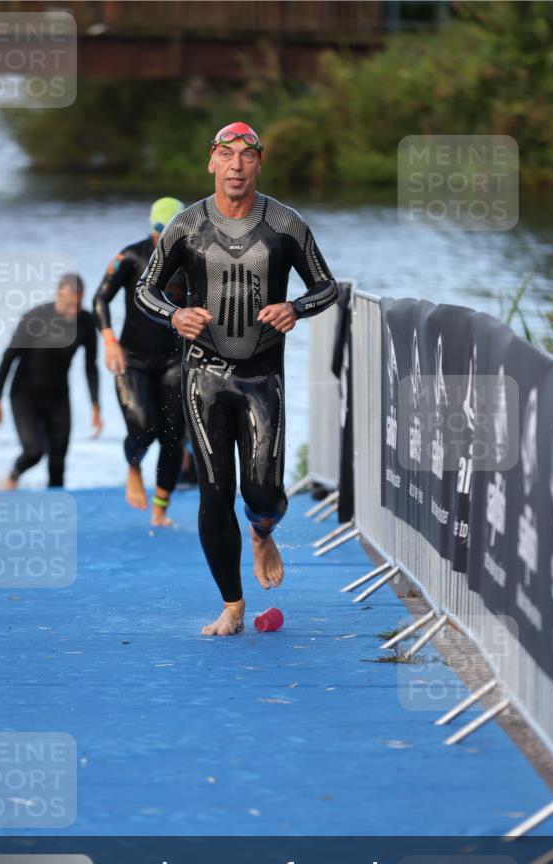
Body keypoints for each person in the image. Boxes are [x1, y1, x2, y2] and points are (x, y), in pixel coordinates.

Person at [135, 122, 338, 635]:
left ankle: (263, 530)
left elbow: (327, 286)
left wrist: (296, 307)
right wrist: (174, 315)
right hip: (202, 375)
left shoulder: (285, 225)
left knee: (263, 492)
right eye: (226, 155)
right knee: (214, 491)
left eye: (247, 156)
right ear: (211, 162)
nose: (236, 166)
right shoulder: (185, 226)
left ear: (258, 165)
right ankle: (232, 604)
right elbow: (145, 290)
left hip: (262, 377)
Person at [93, 196, 190, 525]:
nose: (163, 239)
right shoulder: (131, 256)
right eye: (159, 231)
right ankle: (133, 466)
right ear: (151, 229)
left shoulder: (193, 260)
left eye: (171, 232)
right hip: (132, 359)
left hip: (175, 359)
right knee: (143, 427)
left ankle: (160, 509)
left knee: (174, 435)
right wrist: (109, 341)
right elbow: (100, 298)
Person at [0, 273, 102, 488]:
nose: (73, 311)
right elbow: (8, 358)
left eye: (77, 305)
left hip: (58, 396)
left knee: (58, 460)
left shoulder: (86, 322)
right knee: (34, 451)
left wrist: (95, 405)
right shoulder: (35, 319)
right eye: (69, 305)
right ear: (58, 294)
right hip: (24, 395)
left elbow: (90, 366)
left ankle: (56, 509)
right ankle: (12, 477)